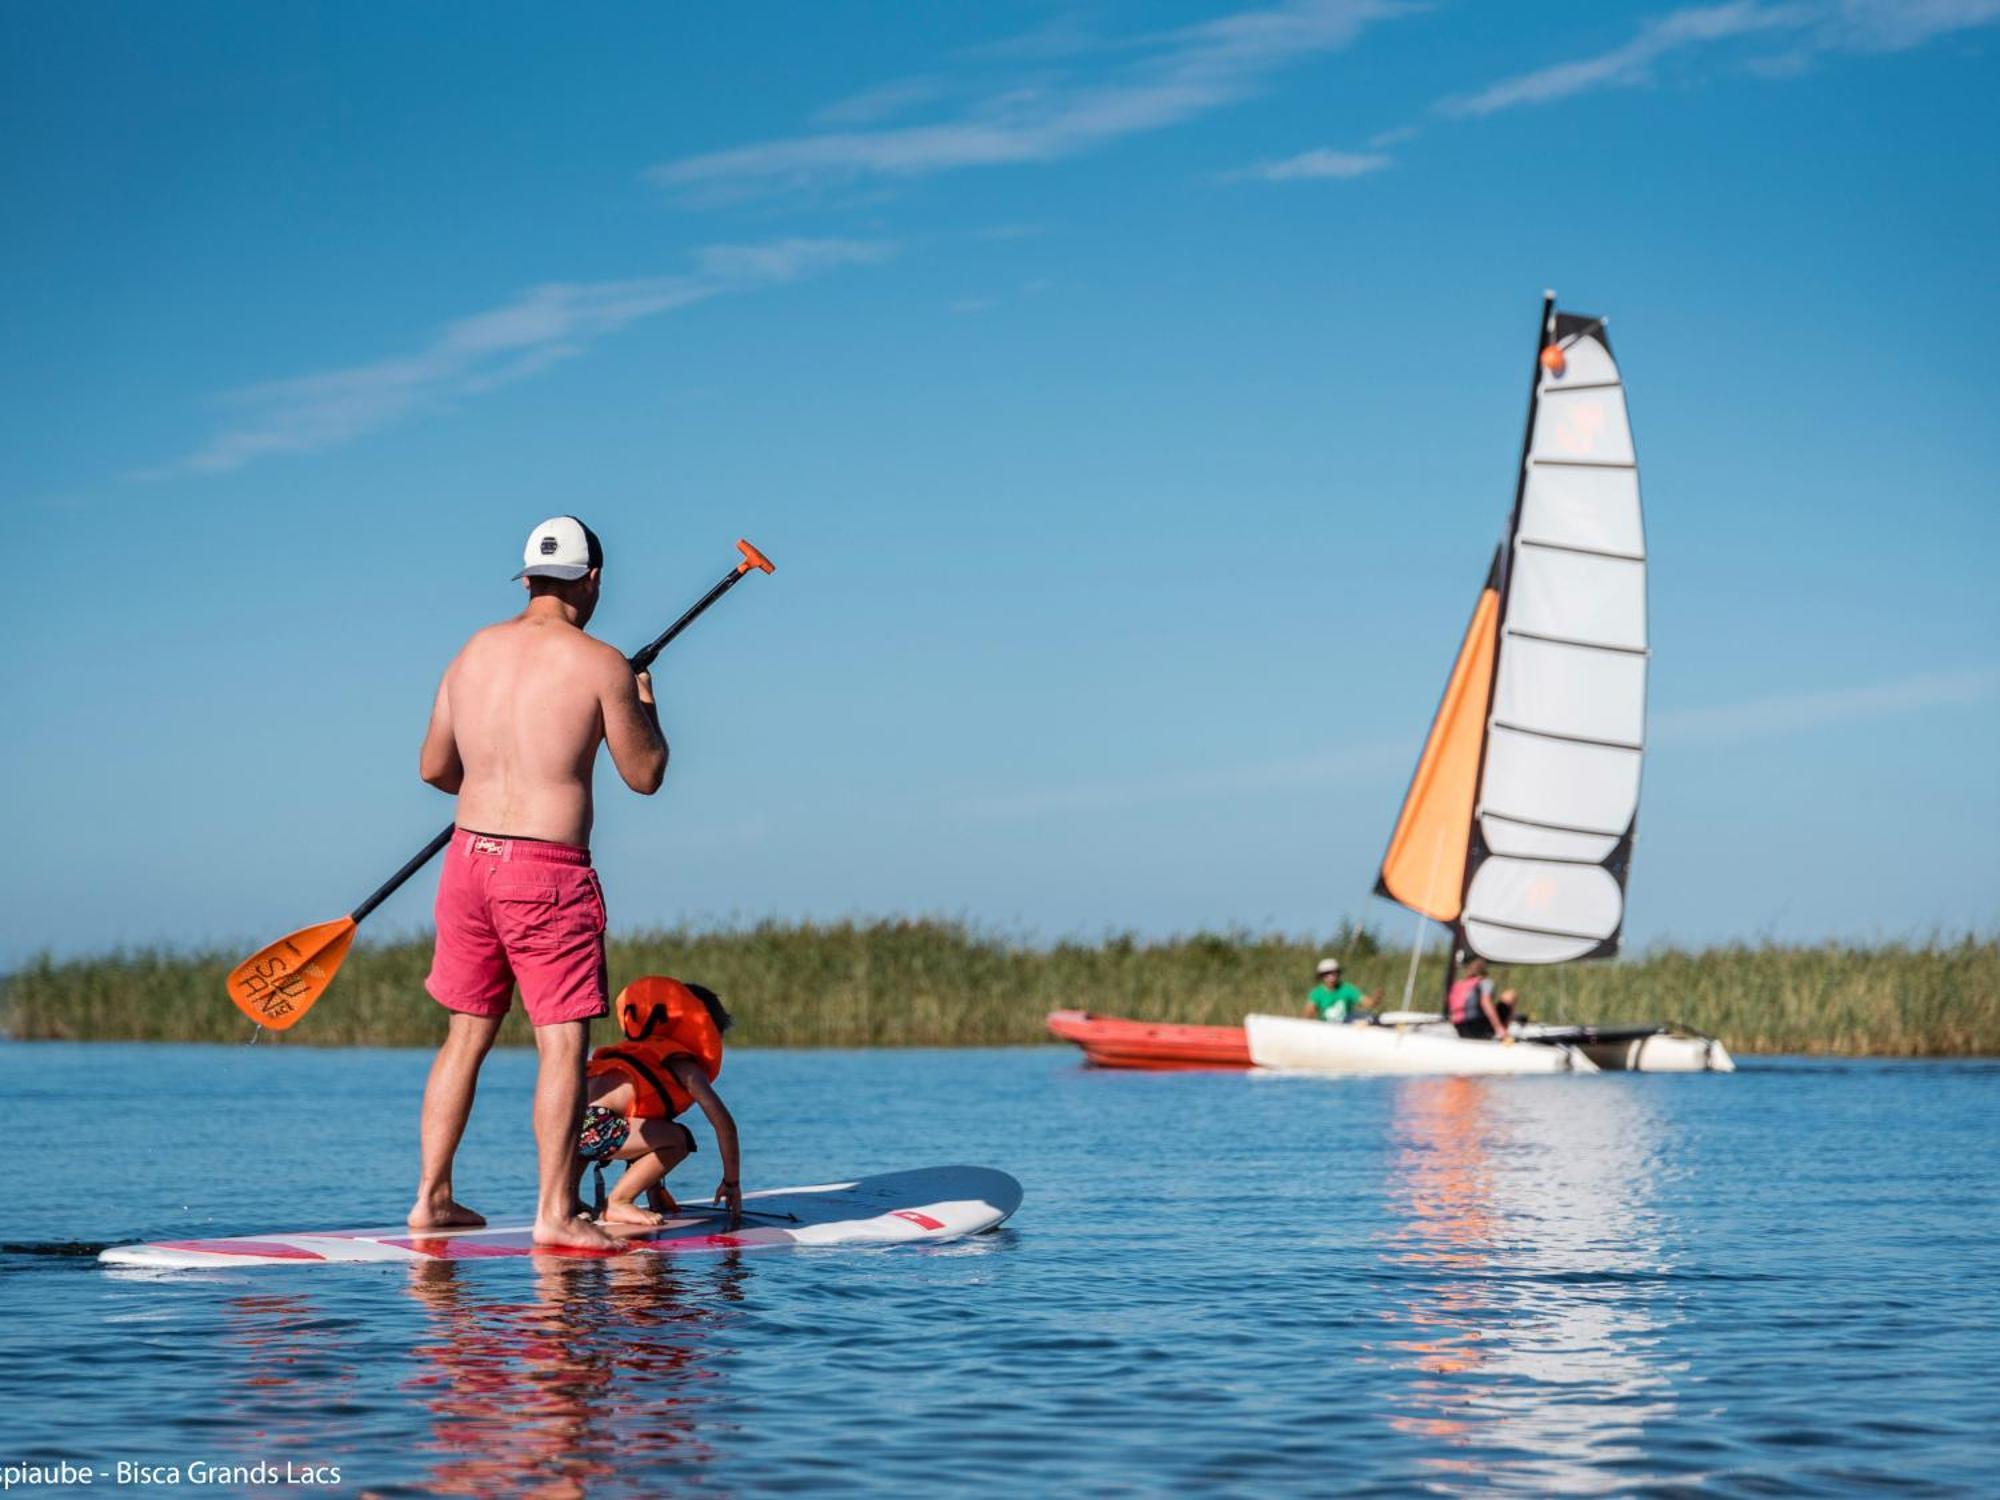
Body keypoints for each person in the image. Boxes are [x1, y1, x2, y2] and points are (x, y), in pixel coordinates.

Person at [408, 516, 668, 1251]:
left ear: (526, 579)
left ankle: (431, 1199)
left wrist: (494, 778)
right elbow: (644, 775)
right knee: (561, 1046)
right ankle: (555, 1214)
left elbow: (434, 769)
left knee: (465, 1036)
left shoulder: (472, 653)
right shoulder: (601, 664)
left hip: (466, 860)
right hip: (545, 873)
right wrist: (645, 706)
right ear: (593, 580)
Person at [574, 975, 743, 1229]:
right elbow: (724, 1124)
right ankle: (619, 1201)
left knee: (598, 1125)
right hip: (598, 1128)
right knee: (679, 1140)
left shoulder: (638, 1055)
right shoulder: (683, 1065)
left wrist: (655, 1192)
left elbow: (643, 1129)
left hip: (566, 1126)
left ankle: (568, 1199)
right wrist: (732, 1184)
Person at [1446, 956, 1520, 1041]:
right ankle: (1504, 1032)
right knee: (1510, 995)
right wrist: (1499, 1028)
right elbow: (1486, 1002)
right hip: (1479, 1030)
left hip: (1460, 1030)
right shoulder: (1485, 982)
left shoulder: (1458, 984)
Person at [1306, 957, 1379, 1023]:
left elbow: (1367, 1002)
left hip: (1346, 1025)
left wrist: (1375, 999)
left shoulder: (1347, 989)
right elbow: (1308, 1013)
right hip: (1327, 1028)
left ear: (1338, 973)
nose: (1331, 977)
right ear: (1321, 976)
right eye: (1327, 974)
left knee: (1365, 1017)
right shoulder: (1317, 993)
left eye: (1334, 973)